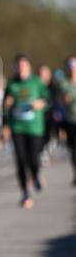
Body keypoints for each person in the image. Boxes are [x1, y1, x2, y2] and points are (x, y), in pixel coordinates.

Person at [3, 55, 47, 209]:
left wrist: (40, 103)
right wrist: (6, 121)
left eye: (24, 66)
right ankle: (25, 193)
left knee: (33, 158)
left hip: (35, 127)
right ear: (15, 68)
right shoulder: (11, 83)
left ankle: (35, 175)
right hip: (17, 127)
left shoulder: (37, 82)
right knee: (21, 160)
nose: (21, 69)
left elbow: (47, 99)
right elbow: (5, 105)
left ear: (29, 67)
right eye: (19, 66)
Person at [57, 55, 76, 184]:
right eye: (71, 67)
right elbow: (61, 100)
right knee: (73, 149)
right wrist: (65, 99)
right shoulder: (64, 83)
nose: (73, 69)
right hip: (71, 119)